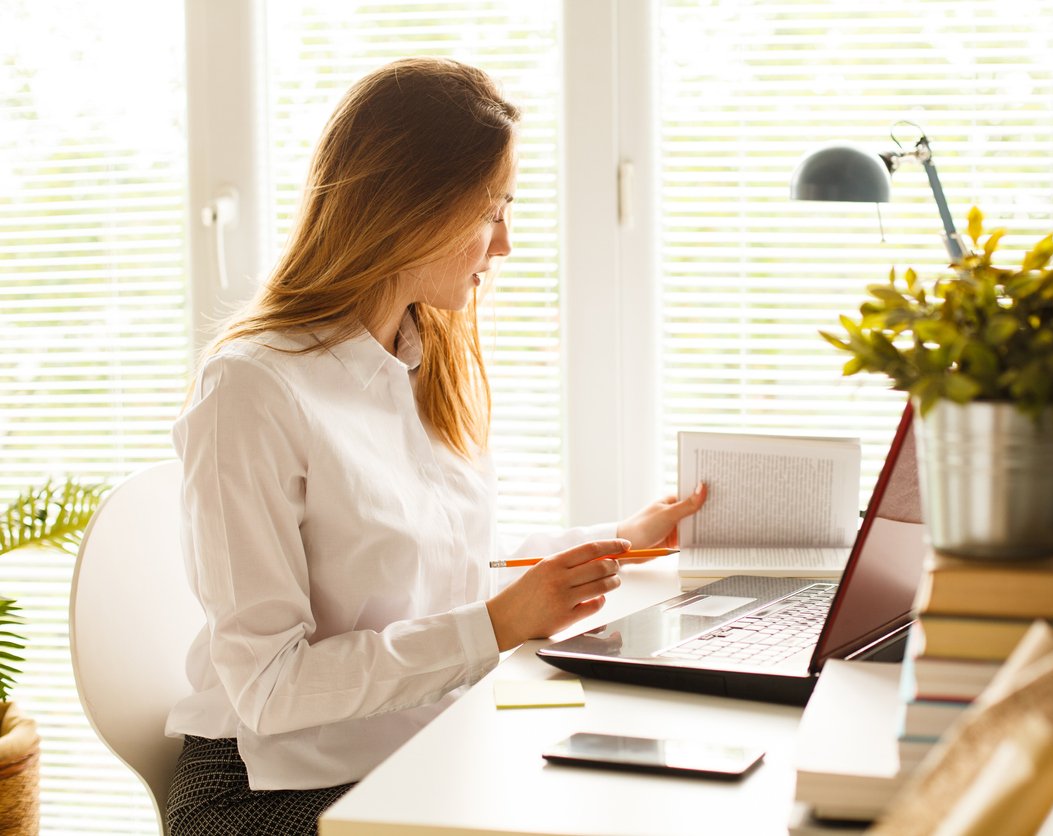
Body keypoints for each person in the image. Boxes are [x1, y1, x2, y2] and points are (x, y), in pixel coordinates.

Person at [165, 56, 706, 835]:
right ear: (412, 211)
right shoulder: (253, 389)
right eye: (492, 212)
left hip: (407, 746)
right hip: (267, 787)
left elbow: (437, 574)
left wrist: (617, 540)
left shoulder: (419, 355)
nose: (505, 245)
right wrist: (497, 625)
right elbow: (269, 688)